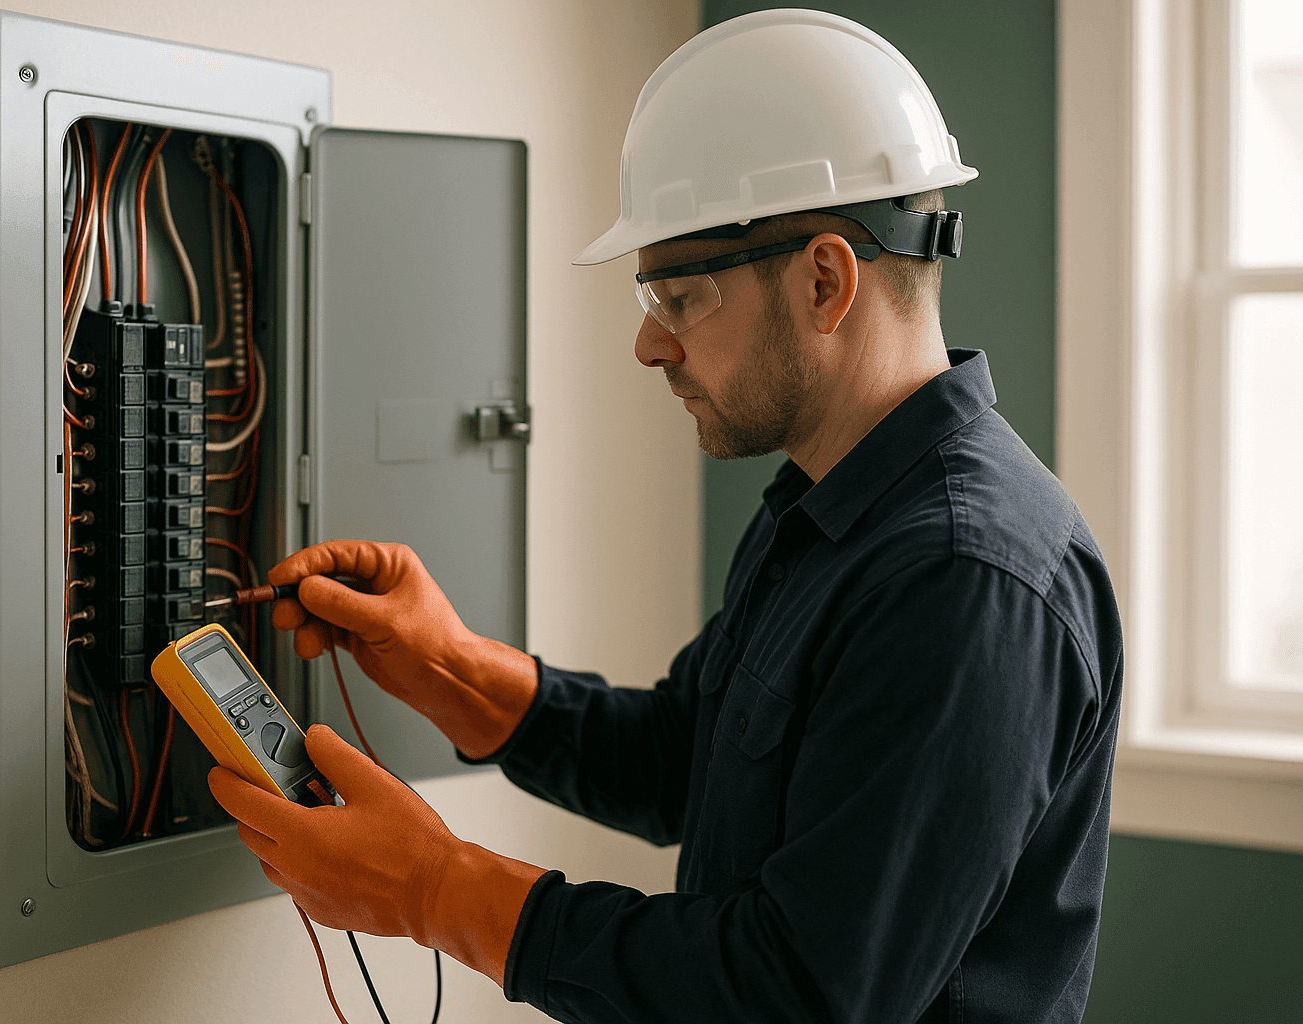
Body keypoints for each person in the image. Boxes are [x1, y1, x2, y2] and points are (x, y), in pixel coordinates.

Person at [208, 10, 1123, 1023]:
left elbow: (800, 995)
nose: (649, 345)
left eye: (680, 296)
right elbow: (687, 761)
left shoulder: (965, 580)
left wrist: (436, 888)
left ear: (826, 280)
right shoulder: (827, 507)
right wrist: (453, 666)